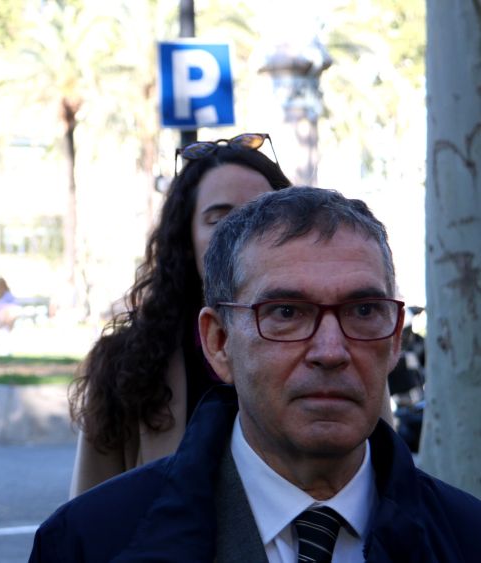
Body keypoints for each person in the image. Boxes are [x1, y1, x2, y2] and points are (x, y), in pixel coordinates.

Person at [30, 187, 481, 562]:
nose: (330, 351)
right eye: (285, 312)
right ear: (219, 342)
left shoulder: (467, 537)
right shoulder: (87, 543)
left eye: (364, 311)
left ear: (396, 338)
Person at [68, 133, 292, 497]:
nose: (242, 236)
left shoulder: (340, 347)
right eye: (219, 219)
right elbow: (89, 513)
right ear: (186, 239)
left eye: (261, 216)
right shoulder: (124, 365)